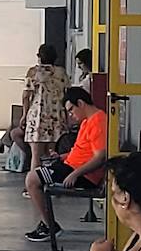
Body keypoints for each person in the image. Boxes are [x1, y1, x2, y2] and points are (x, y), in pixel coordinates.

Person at [25, 86, 107, 242]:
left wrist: (75, 174)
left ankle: (50, 226)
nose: (71, 115)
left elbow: (100, 157)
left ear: (81, 103)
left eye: (71, 110)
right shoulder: (87, 121)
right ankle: (47, 223)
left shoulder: (98, 122)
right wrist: (61, 157)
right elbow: (82, 151)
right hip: (71, 167)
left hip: (83, 174)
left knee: (32, 179)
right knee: (36, 176)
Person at [21, 44, 69, 179]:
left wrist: (24, 115)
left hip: (37, 116)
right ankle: (50, 181)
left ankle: (33, 184)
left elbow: (26, 96)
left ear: (39, 56)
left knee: (36, 155)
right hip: (56, 115)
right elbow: (66, 92)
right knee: (51, 153)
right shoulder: (61, 72)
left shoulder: (33, 72)